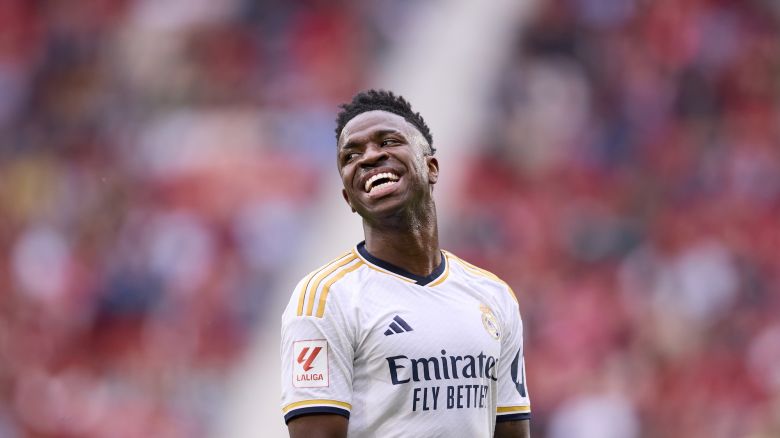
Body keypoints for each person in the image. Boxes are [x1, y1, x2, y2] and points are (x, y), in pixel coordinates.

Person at [280, 90, 531, 437]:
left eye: (388, 141)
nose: (368, 157)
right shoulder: (324, 298)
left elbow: (511, 431)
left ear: (431, 167)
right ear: (348, 198)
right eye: (351, 155)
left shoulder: (494, 295)